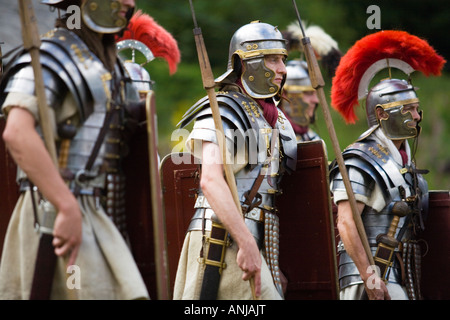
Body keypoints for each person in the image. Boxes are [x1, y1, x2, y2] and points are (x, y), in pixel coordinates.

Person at [0, 0, 150, 299]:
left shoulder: (110, 65)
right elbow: (17, 132)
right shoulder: (51, 55)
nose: (130, 3)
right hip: (52, 210)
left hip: (97, 210)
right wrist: (66, 206)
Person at [173, 21, 297, 300]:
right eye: (273, 59)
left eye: (283, 60)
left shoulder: (276, 119)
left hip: (257, 239)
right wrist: (246, 243)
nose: (282, 69)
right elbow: (211, 181)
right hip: (219, 238)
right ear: (245, 63)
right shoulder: (223, 109)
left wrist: (271, 264)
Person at [329, 30, 445, 300]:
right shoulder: (360, 159)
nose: (417, 117)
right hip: (367, 276)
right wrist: (370, 277)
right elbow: (346, 223)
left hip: (401, 272)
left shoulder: (405, 162)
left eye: (417, 109)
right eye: (408, 110)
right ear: (381, 114)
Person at [280, 22, 341, 143]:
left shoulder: (312, 138)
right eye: (308, 93)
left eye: (315, 94)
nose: (316, 100)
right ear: (285, 94)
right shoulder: (274, 136)